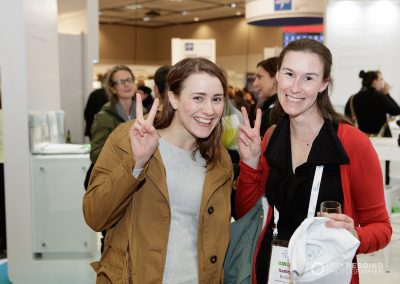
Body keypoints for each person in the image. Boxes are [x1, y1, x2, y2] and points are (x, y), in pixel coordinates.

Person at [236, 39, 391, 283]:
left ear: (323, 84)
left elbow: (382, 228)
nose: (295, 87)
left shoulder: (352, 143)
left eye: (309, 78)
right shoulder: (271, 137)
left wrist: (354, 236)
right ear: (278, 76)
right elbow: (246, 211)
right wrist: (250, 163)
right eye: (289, 74)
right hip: (272, 268)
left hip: (325, 272)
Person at [83, 57, 233, 283]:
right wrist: (136, 163)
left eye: (217, 99)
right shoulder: (129, 139)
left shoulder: (219, 158)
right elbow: (95, 215)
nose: (209, 110)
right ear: (173, 98)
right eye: (198, 98)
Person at [84, 65, 137, 253]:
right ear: (113, 88)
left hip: (137, 182)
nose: (126, 85)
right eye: (120, 82)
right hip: (114, 182)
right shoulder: (105, 116)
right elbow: (96, 152)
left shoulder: (146, 113)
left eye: (129, 80)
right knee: (113, 236)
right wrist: (128, 156)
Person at [344, 70, 400, 137]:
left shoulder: (352, 99)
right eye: (381, 80)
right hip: (381, 140)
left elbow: (347, 117)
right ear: (374, 82)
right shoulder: (380, 97)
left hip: (360, 139)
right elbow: (397, 111)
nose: (383, 83)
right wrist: (387, 94)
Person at [253, 57, 279, 136]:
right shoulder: (271, 109)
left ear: (276, 77)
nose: (255, 84)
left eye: (259, 77)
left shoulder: (275, 114)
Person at [84, 73, 109, 139]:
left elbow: (87, 114)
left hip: (94, 130)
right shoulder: (115, 97)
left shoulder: (94, 94)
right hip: (109, 132)